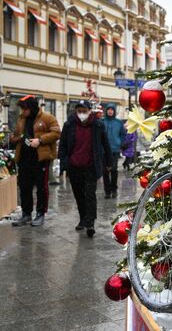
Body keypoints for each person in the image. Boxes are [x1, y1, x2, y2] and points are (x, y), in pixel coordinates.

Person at [58, 100, 112, 237]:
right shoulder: (69, 124)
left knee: (90, 195)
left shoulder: (98, 125)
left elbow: (105, 144)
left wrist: (109, 162)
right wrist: (64, 163)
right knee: (79, 195)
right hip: (74, 166)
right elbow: (63, 145)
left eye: (84, 111)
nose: (82, 113)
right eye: (79, 111)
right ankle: (83, 218)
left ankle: (90, 222)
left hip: (91, 166)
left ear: (89, 111)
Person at [10, 95, 60, 227]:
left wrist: (40, 140)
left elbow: (56, 133)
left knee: (41, 188)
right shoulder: (22, 119)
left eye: (25, 109)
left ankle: (40, 214)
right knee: (24, 186)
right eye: (22, 109)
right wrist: (16, 138)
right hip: (24, 158)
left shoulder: (47, 118)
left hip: (40, 159)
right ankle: (26, 214)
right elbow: (15, 135)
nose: (23, 111)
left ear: (31, 107)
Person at [102, 104, 125, 198]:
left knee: (114, 170)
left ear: (114, 111)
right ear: (106, 111)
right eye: (108, 109)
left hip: (114, 149)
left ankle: (114, 189)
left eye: (112, 109)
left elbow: (123, 134)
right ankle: (107, 191)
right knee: (105, 171)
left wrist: (121, 143)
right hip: (103, 150)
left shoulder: (119, 123)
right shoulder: (102, 122)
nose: (110, 111)